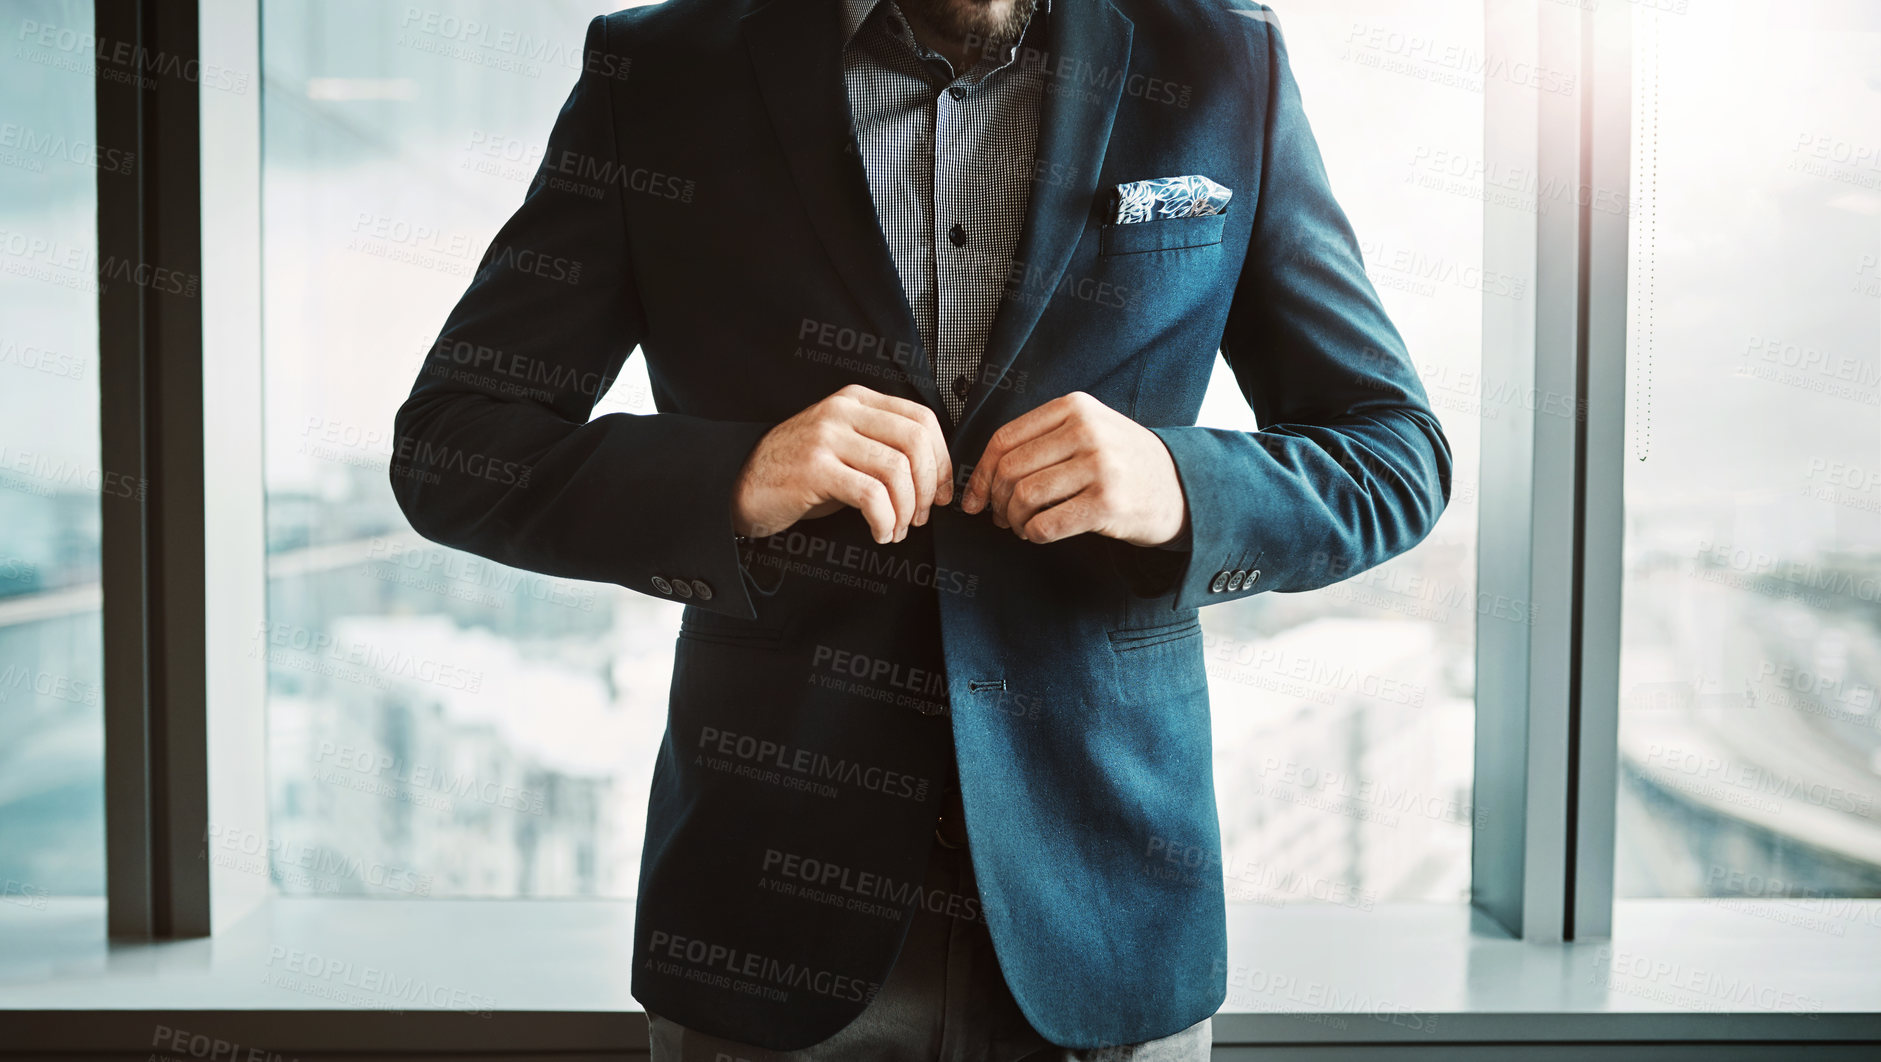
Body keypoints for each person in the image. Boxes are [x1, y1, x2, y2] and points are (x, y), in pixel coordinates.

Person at [389, 0, 1450, 1057]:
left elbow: (1396, 454)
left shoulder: (1220, 58)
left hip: (1110, 920)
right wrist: (738, 478)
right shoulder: (661, 69)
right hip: (765, 928)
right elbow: (452, 446)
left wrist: (1180, 485)